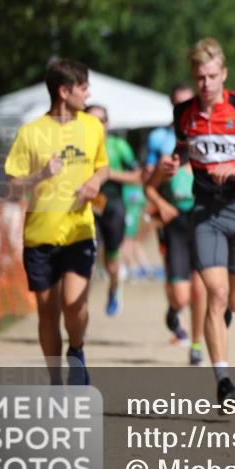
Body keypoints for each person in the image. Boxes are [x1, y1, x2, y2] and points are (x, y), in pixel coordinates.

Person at [163, 38, 235, 404]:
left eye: (212, 76)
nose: (206, 84)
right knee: (215, 293)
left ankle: (221, 321)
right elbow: (182, 148)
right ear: (193, 77)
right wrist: (173, 163)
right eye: (200, 77)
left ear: (224, 74)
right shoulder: (184, 113)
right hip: (205, 212)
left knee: (234, 301)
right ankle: (224, 382)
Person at [4, 59, 109, 385]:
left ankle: (76, 350)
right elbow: (11, 186)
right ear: (64, 92)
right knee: (47, 313)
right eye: (83, 88)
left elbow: (103, 166)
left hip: (80, 231)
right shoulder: (30, 133)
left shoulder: (92, 127)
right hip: (40, 236)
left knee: (74, 306)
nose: (88, 94)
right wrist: (40, 175)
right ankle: (56, 382)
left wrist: (96, 182)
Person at [145, 85, 208, 365]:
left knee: (200, 290)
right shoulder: (165, 150)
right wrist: (162, 204)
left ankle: (196, 345)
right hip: (175, 225)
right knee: (182, 296)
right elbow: (149, 185)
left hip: (202, 223)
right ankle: (174, 309)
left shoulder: (207, 154)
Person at [85, 104, 141, 316]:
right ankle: (80, 307)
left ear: (107, 123)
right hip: (87, 208)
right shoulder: (78, 147)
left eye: (100, 120)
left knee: (111, 263)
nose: (96, 125)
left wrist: (109, 174)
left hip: (113, 206)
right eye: (91, 120)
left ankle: (114, 289)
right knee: (87, 259)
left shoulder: (119, 146)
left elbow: (138, 177)